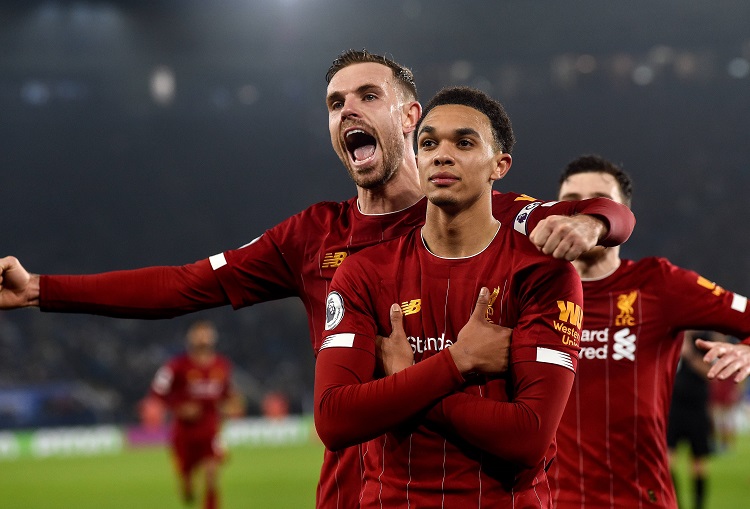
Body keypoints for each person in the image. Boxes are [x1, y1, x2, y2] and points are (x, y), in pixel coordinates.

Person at [0, 50, 638, 509]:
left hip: (479, 484)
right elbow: (183, 285)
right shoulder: (314, 236)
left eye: (367, 96)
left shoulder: (487, 212)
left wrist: (592, 228)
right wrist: (42, 290)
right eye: (335, 104)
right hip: (353, 491)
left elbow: (612, 213)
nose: (347, 111)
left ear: (411, 115)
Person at [315, 86, 583, 507]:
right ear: (416, 160)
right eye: (428, 143)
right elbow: (334, 420)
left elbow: (528, 436)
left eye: (463, 142)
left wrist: (406, 383)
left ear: (500, 165)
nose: (442, 154)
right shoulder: (364, 272)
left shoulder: (543, 274)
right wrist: (456, 363)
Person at [547, 155, 750, 509]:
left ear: (618, 217)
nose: (582, 211)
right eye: (571, 200)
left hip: (639, 500)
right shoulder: (529, 290)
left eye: (598, 200)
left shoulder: (659, 284)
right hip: (548, 501)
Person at [149, 320, 241, 509]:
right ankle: (187, 483)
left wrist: (232, 405)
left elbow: (229, 394)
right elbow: (158, 391)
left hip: (210, 430)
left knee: (211, 476)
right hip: (184, 432)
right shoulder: (177, 366)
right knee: (187, 482)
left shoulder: (222, 366)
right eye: (198, 335)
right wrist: (179, 408)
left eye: (206, 335)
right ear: (190, 340)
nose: (202, 340)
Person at [667, 330, 717, 509]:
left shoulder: (706, 340)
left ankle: (698, 506)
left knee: (698, 465)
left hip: (696, 410)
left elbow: (711, 373)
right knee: (666, 462)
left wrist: (690, 356)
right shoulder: (671, 335)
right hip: (673, 409)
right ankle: (676, 504)